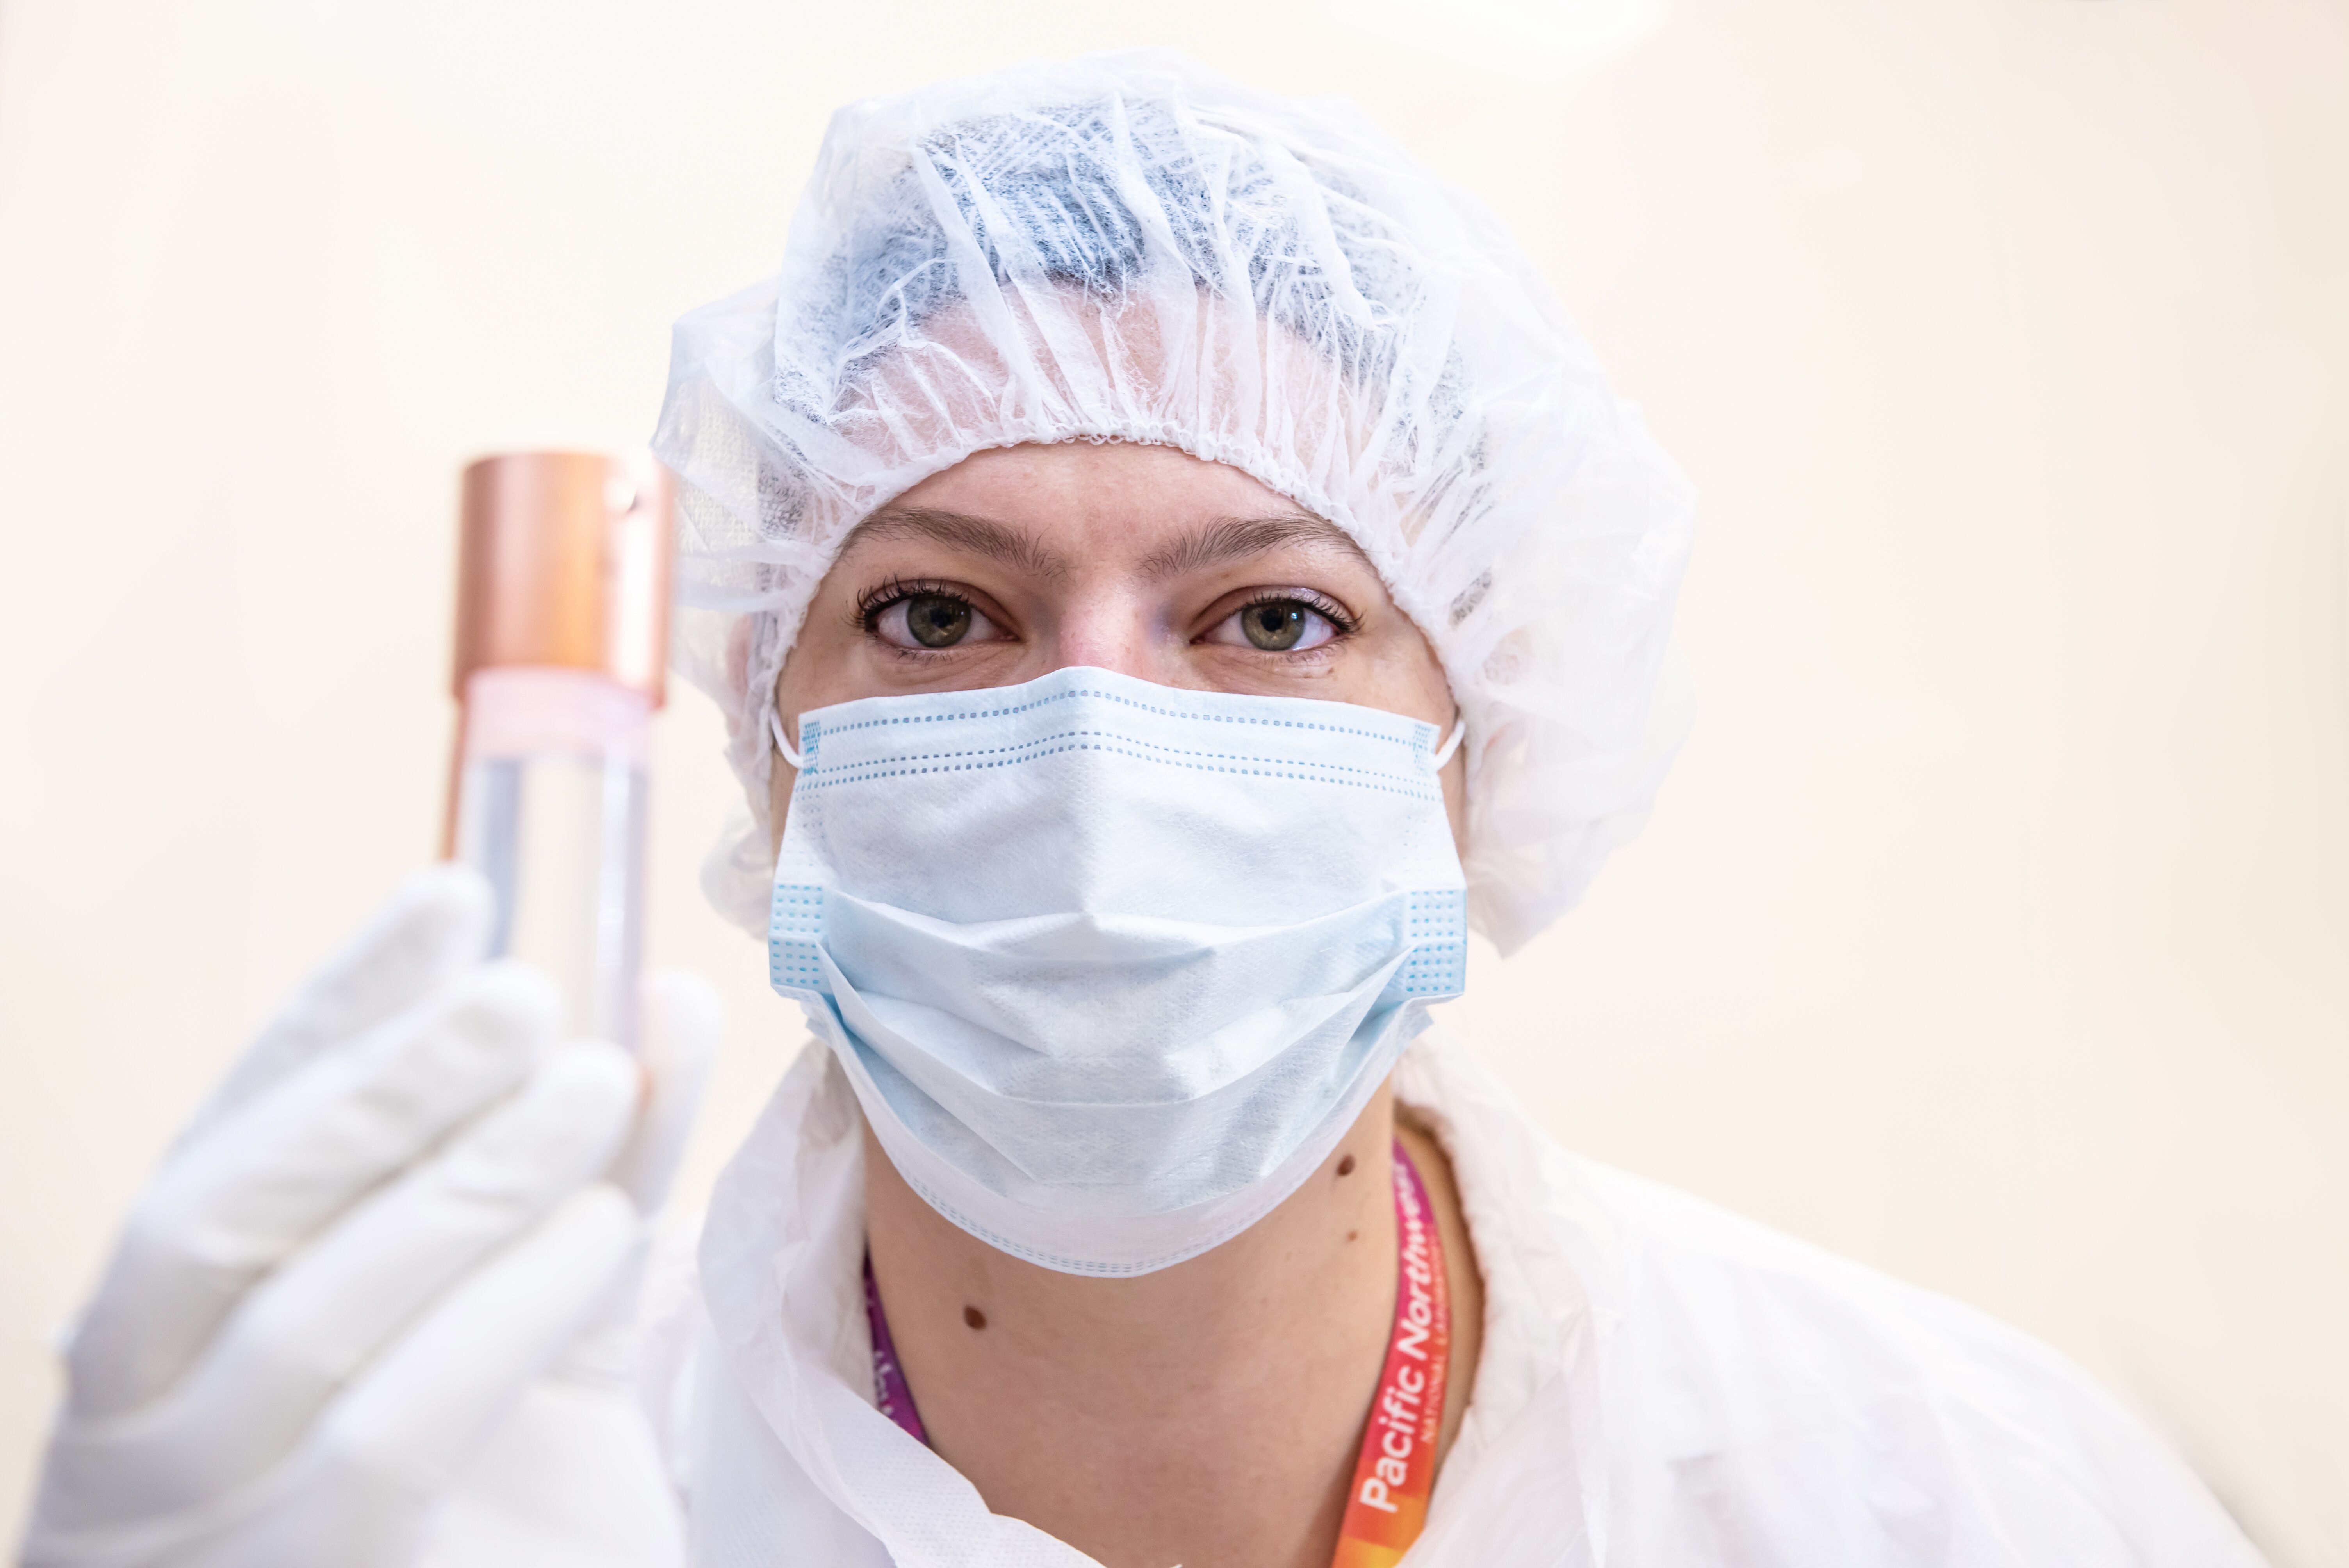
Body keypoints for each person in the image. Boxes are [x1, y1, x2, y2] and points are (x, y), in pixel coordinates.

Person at [23, 50, 2263, 1568]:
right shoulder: (488, 1491)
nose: (1095, 750)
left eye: (1272, 622)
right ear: (760, 728)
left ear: (1487, 742)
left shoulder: (1945, 1496)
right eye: (934, 614)